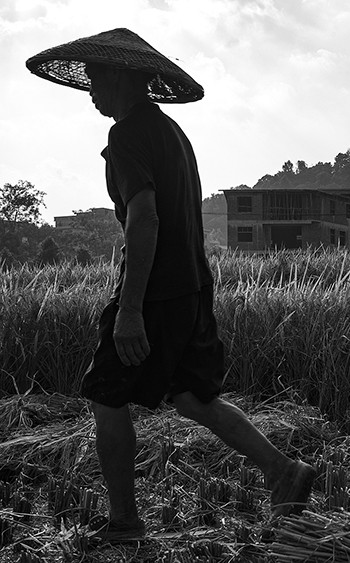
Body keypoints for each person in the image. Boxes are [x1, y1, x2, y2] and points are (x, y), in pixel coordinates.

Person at [26, 29, 316, 540]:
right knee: (193, 398)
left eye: (96, 77)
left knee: (106, 395)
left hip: (156, 291)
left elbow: (145, 219)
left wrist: (130, 309)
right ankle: (283, 471)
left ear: (121, 76)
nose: (91, 90)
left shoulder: (127, 136)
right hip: (192, 285)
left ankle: (124, 521)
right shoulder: (172, 133)